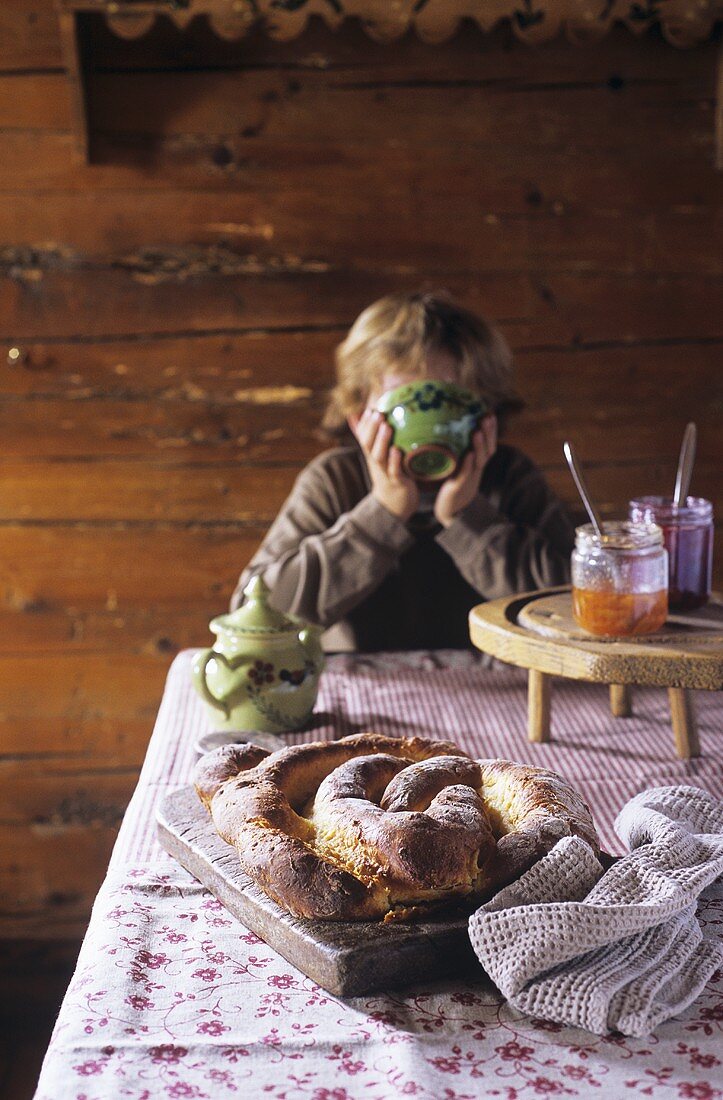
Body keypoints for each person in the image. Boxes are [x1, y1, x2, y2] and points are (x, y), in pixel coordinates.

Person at [231, 292, 574, 652]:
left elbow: (574, 608)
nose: (430, 423)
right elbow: (250, 617)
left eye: (450, 404)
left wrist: (467, 517)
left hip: (494, 692)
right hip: (360, 693)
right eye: (407, 403)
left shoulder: (509, 476)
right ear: (359, 415)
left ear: (486, 413)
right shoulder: (335, 479)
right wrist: (382, 513)